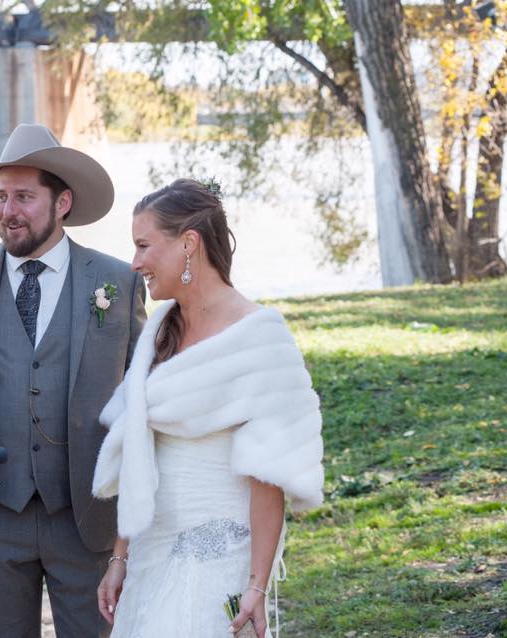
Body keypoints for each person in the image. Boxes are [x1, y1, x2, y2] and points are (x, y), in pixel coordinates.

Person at [91, 178, 325, 638]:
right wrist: (120, 556)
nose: (135, 262)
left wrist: (256, 586)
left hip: (218, 557)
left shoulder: (259, 337)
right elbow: (139, 452)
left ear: (189, 244)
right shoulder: (160, 329)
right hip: (150, 555)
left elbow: (267, 477)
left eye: (143, 245)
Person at [0, 123, 147, 637]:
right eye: (0, 196)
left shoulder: (117, 282)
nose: (8, 210)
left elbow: (142, 393)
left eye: (24, 197)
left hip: (87, 515)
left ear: (62, 203)